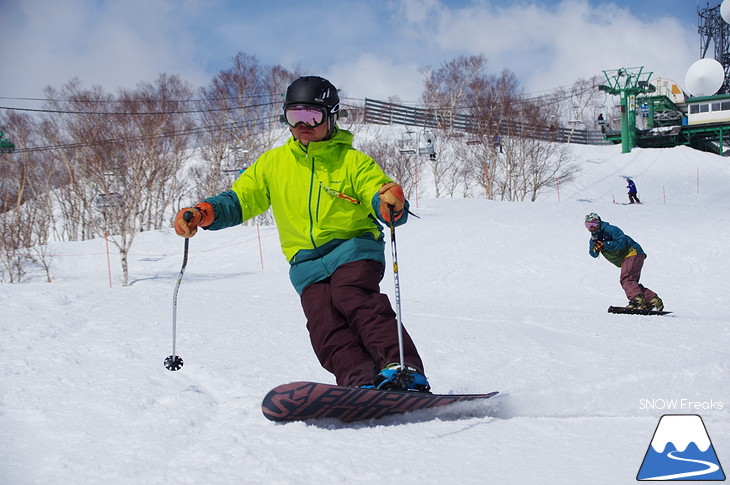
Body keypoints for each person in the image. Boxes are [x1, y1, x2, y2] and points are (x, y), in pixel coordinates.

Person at [174, 76, 430, 392]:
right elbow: (243, 198)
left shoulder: (351, 161)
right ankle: (359, 382)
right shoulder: (273, 164)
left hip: (353, 247)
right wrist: (205, 213)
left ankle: (403, 369)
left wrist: (387, 202)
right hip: (305, 263)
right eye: (295, 117)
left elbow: (377, 192)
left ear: (331, 116)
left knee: (352, 297)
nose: (303, 125)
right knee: (324, 325)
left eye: (313, 116)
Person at [584, 213, 664, 311]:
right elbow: (593, 254)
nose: (591, 227)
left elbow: (621, 243)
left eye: (594, 224)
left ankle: (637, 300)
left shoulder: (611, 229)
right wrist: (595, 248)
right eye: (588, 225)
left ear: (599, 223)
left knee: (626, 278)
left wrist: (606, 245)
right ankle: (652, 299)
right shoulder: (594, 238)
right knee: (631, 281)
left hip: (633, 252)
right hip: (628, 257)